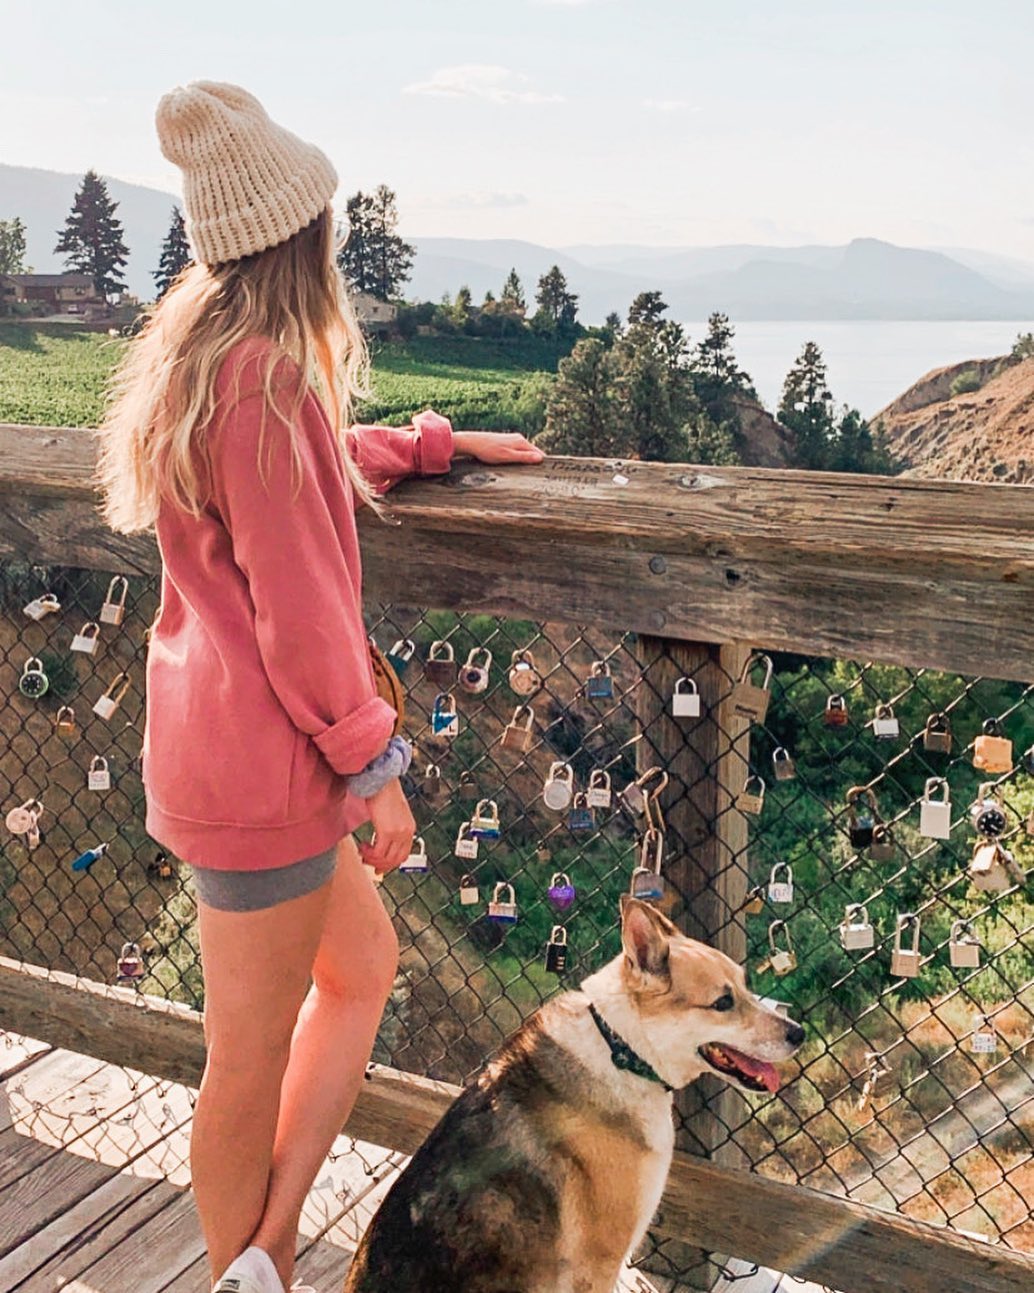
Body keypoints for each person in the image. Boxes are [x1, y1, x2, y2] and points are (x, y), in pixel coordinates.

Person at [96, 80, 544, 1293]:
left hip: (217, 751)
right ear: (300, 231)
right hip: (269, 768)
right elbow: (300, 616)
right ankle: (249, 1267)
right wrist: (373, 769)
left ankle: (268, 1249)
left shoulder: (206, 363)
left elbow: (296, 479)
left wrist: (427, 446)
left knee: (359, 974)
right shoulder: (264, 379)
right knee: (244, 1055)